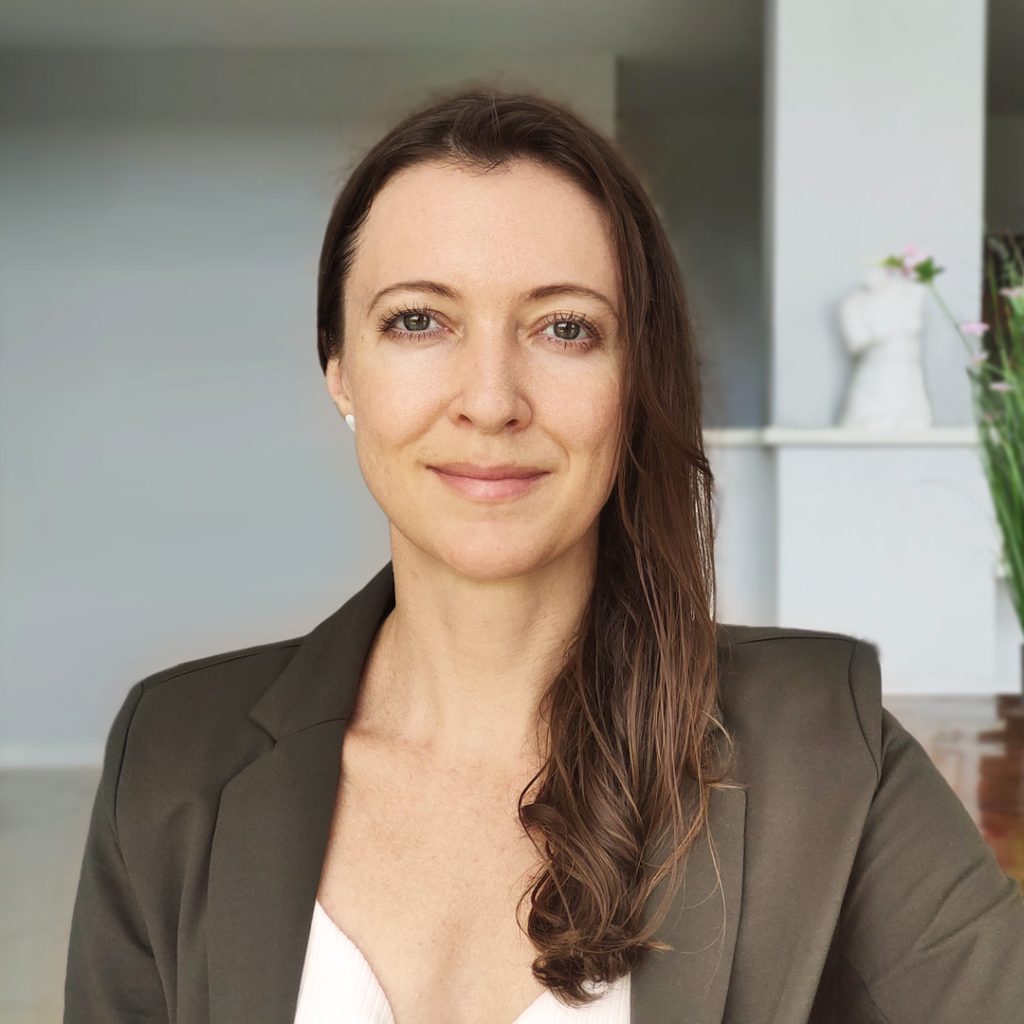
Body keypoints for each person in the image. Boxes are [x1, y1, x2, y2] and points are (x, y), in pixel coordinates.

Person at [63, 87, 1024, 1024]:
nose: (491, 401)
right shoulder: (173, 757)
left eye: (565, 328)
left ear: (634, 376)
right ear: (340, 369)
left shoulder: (822, 748)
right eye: (418, 320)